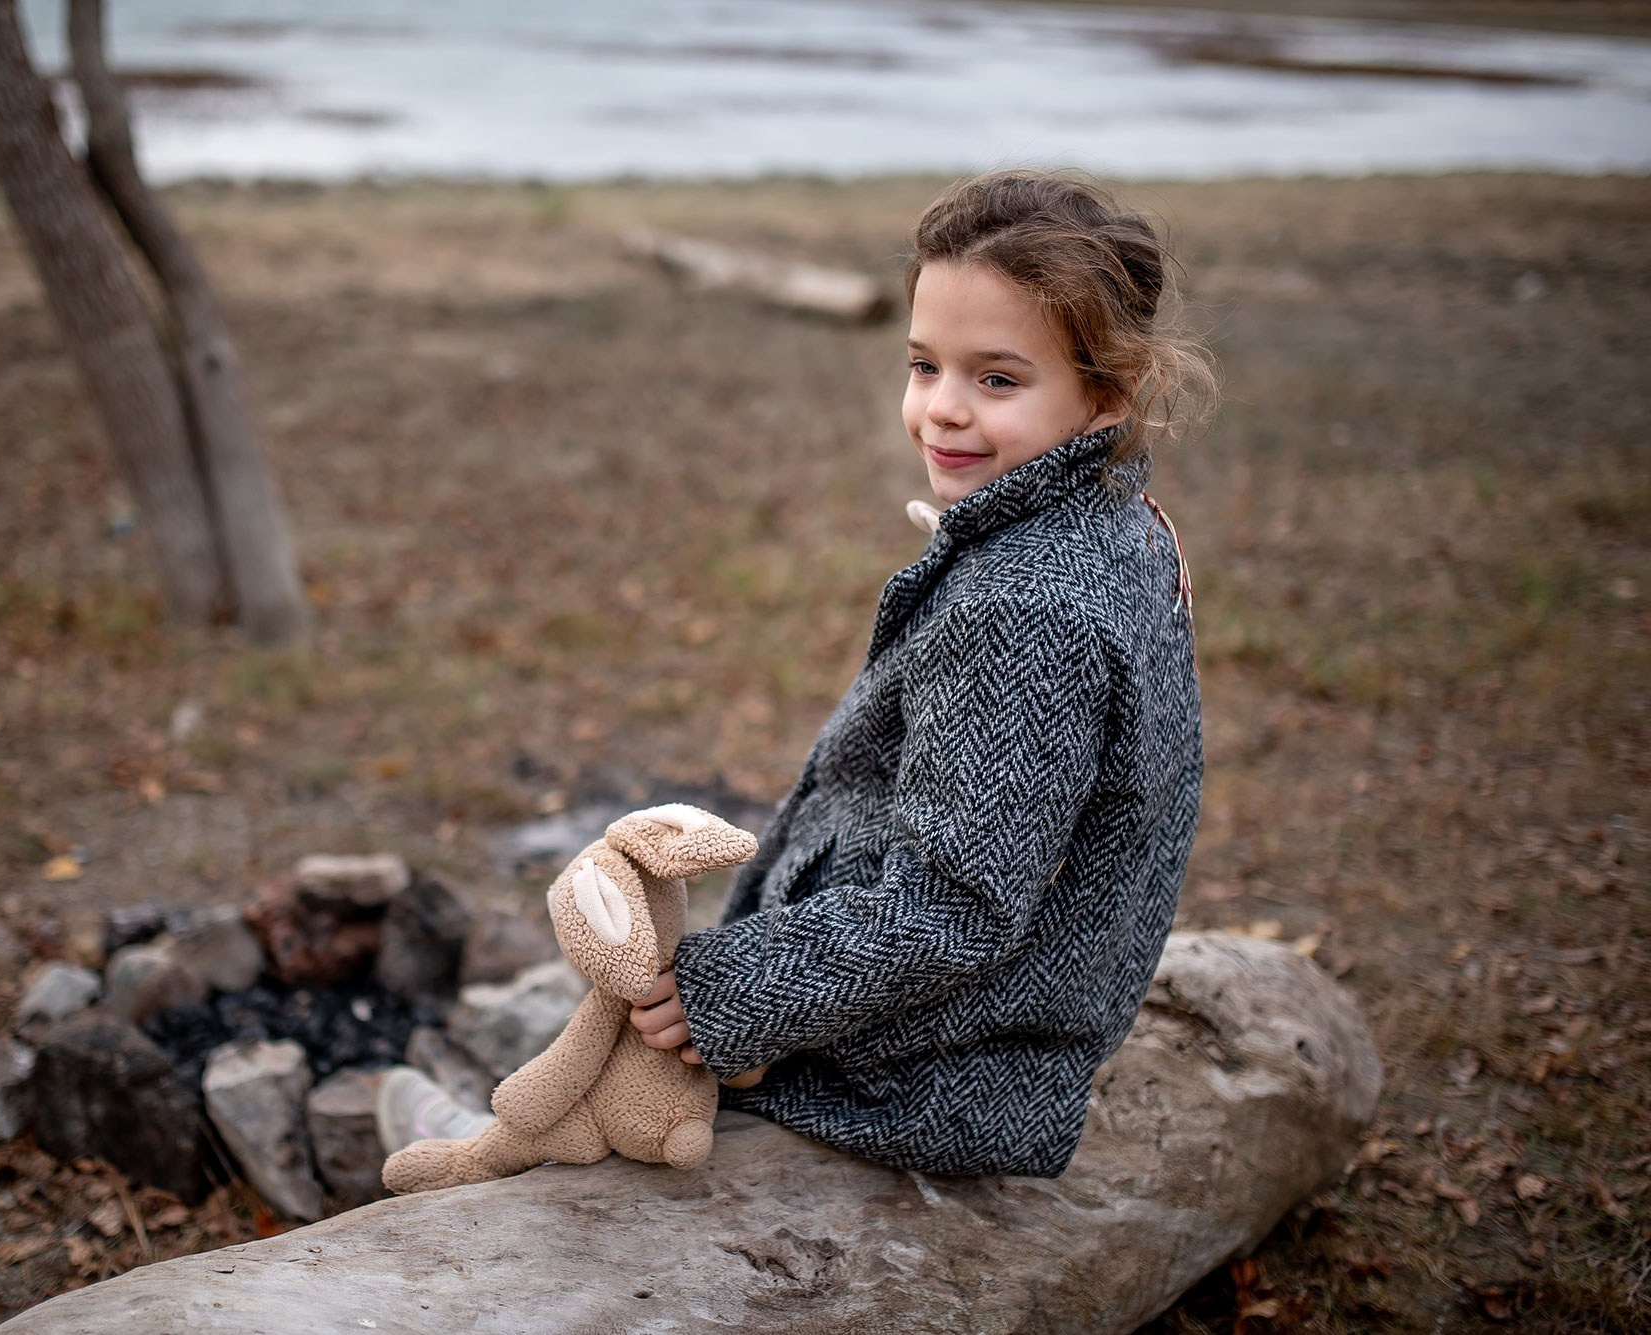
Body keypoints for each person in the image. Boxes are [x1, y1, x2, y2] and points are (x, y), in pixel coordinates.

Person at [378, 169, 1213, 1179]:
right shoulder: (1117, 529)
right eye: (923, 365)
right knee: (617, 1038)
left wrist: (729, 993)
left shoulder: (1024, 607)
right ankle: (513, 1123)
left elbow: (954, 906)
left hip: (915, 1068)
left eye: (996, 379)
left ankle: (495, 1171)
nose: (940, 410)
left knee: (638, 1089)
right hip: (965, 1028)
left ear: (1104, 395)